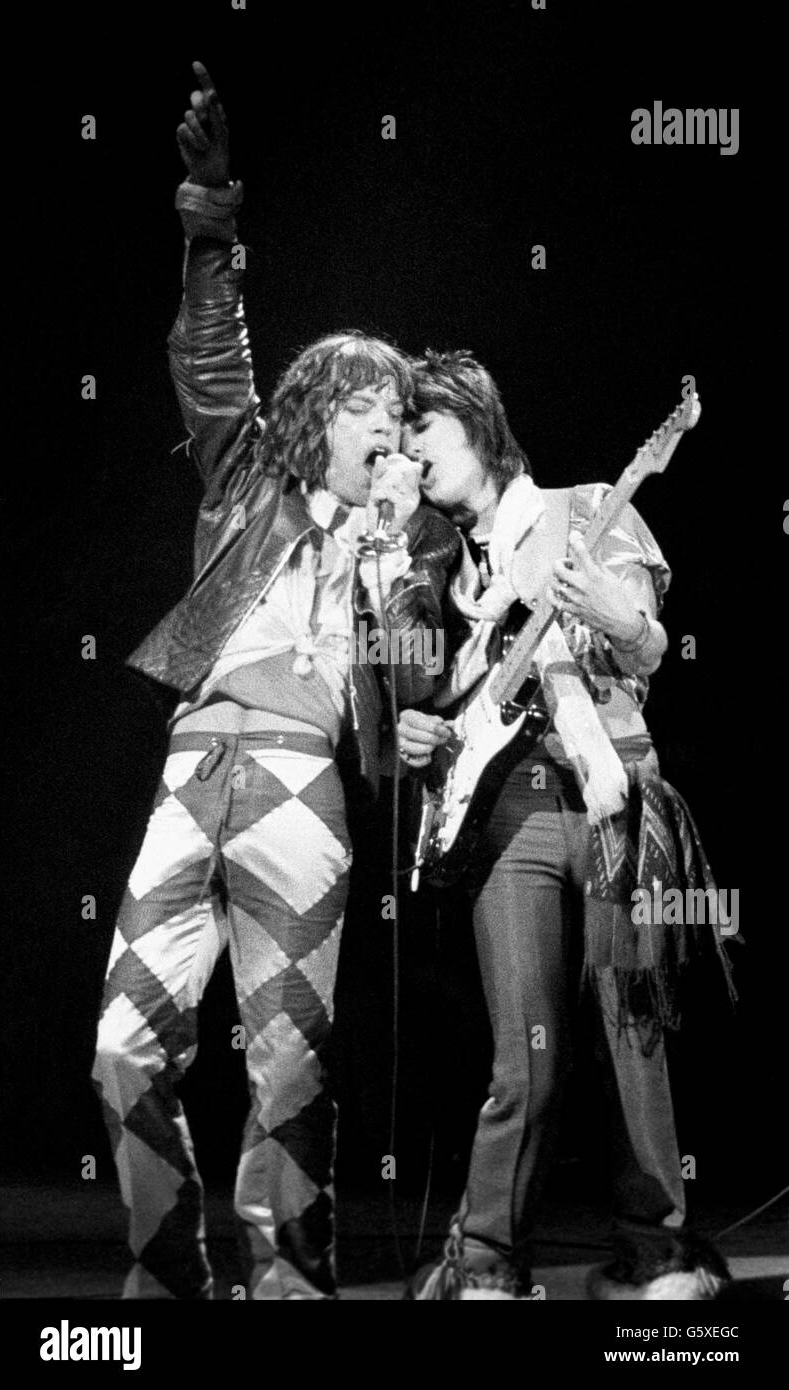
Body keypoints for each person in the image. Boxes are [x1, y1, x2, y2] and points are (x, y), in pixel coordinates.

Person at [92, 63, 457, 1302]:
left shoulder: (399, 541)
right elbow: (210, 346)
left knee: (290, 1066)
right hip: (196, 774)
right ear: (319, 410)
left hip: (302, 787)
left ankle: (291, 1287)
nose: (391, 426)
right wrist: (211, 211)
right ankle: (169, 1278)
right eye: (373, 403)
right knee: (124, 1048)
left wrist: (402, 580)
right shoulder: (243, 474)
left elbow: (413, 676)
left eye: (402, 414)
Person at [397, 350, 734, 1301]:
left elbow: (651, 646)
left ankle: (656, 1254)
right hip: (506, 819)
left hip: (612, 798)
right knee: (523, 1057)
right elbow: (433, 715)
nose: (409, 453)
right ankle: (487, 1262)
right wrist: (419, 730)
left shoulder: (586, 509)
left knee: (632, 1034)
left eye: (425, 430)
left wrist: (616, 619)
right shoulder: (437, 571)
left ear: (478, 422)